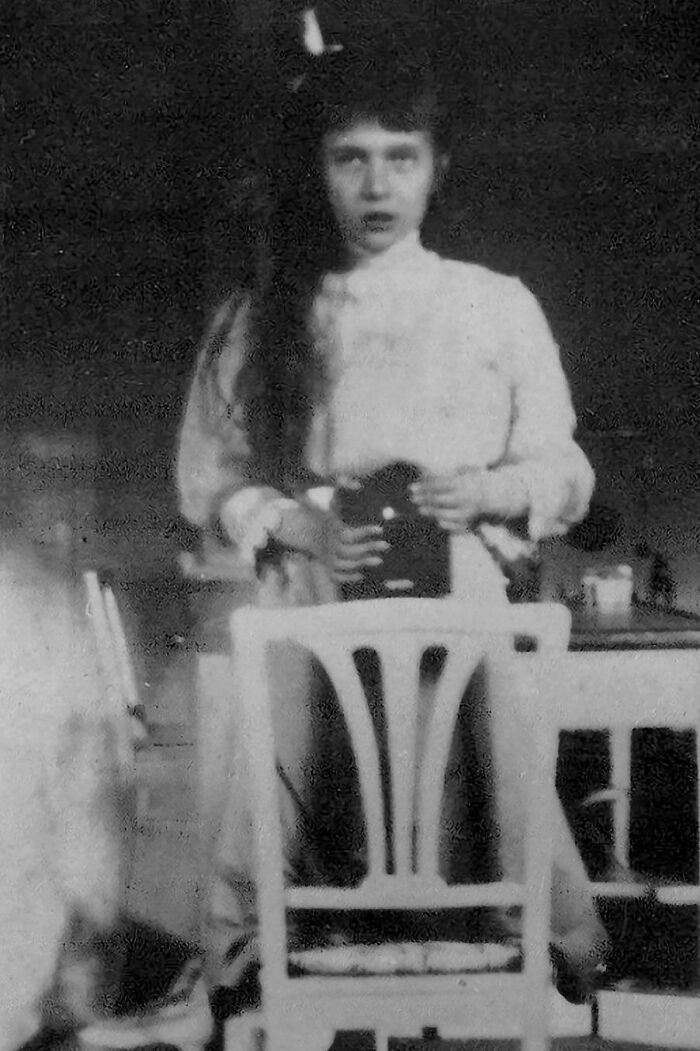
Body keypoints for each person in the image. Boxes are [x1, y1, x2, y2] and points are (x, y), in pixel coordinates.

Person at [176, 31, 606, 1006]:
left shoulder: (493, 306)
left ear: (436, 168)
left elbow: (561, 466)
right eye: (350, 157)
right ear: (319, 170)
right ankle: (278, 957)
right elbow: (210, 480)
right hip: (314, 609)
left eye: (400, 157)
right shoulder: (262, 318)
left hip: (457, 607)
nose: (376, 185)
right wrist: (301, 525)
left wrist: (490, 491)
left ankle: (506, 943)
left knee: (479, 782)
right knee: (289, 773)